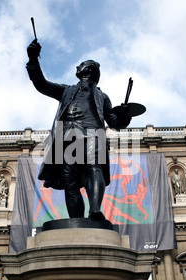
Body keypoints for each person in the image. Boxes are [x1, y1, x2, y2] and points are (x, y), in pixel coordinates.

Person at [26, 39, 132, 221]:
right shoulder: (66, 90)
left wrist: (126, 115)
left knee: (94, 167)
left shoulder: (102, 96)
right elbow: (41, 84)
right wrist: (33, 60)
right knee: (70, 180)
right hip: (68, 134)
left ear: (90, 70)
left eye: (82, 65)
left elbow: (115, 122)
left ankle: (95, 210)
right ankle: (76, 221)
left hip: (93, 132)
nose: (77, 66)